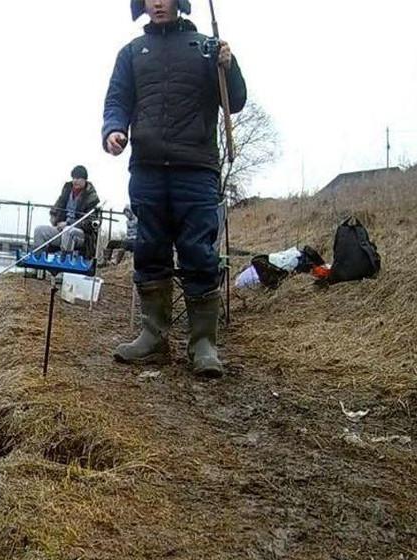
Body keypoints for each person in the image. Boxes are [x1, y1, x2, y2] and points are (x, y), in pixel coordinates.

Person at [103, 0, 247, 377]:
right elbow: (117, 101)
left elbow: (236, 102)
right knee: (149, 250)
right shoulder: (131, 53)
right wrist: (114, 131)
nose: (158, 2)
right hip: (147, 170)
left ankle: (203, 344)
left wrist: (229, 68)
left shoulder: (206, 47)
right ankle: (152, 337)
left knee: (199, 253)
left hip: (196, 169)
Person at [32, 165, 100, 255]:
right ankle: (38, 260)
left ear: (85, 180)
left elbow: (90, 224)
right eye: (74, 178)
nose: (75, 180)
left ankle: (64, 261)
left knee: (68, 231)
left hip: (82, 236)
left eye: (79, 178)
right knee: (39, 230)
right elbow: (55, 209)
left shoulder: (92, 198)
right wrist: (55, 220)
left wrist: (69, 224)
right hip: (62, 230)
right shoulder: (66, 191)